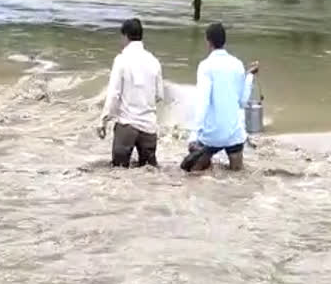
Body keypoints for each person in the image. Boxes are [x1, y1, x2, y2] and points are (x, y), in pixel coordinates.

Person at [181, 22, 258, 172]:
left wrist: (193, 135)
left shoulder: (205, 66)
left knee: (193, 173)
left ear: (208, 41)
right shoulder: (237, 65)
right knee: (238, 174)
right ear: (225, 41)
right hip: (234, 134)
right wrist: (249, 77)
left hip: (211, 136)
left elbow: (203, 103)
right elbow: (242, 102)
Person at [97, 18, 164, 168]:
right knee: (149, 173)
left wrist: (103, 120)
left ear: (125, 36)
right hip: (149, 127)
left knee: (118, 172)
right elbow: (159, 95)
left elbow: (114, 95)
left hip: (127, 126)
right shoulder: (154, 61)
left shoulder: (121, 60)